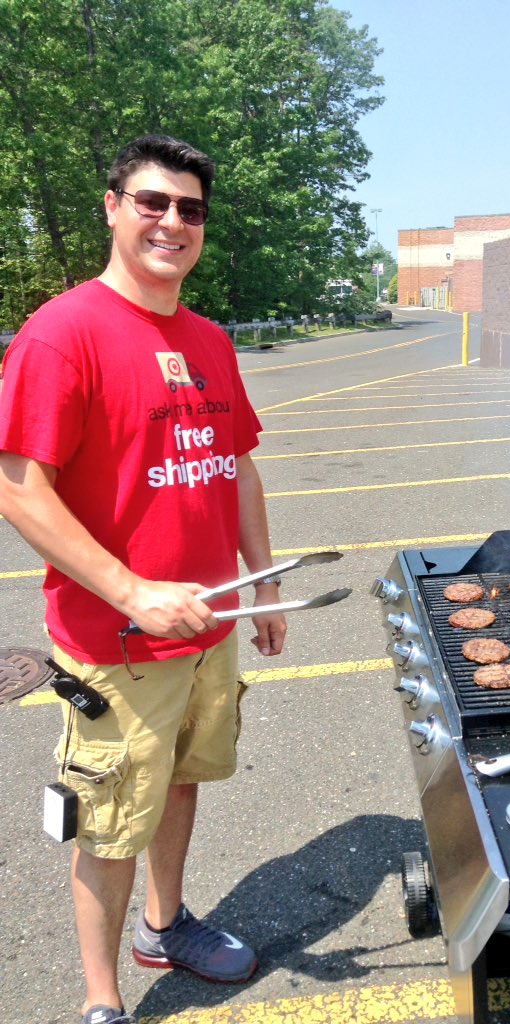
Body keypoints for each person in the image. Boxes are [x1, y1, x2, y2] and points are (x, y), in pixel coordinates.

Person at [0, 135, 287, 1024]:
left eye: (189, 209)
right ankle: (103, 1002)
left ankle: (165, 926)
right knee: (109, 820)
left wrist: (262, 584)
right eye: (152, 202)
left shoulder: (208, 340)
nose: (172, 222)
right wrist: (131, 591)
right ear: (113, 208)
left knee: (179, 783)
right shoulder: (62, 334)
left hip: (207, 627)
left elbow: (236, 465)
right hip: (116, 643)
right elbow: (18, 489)